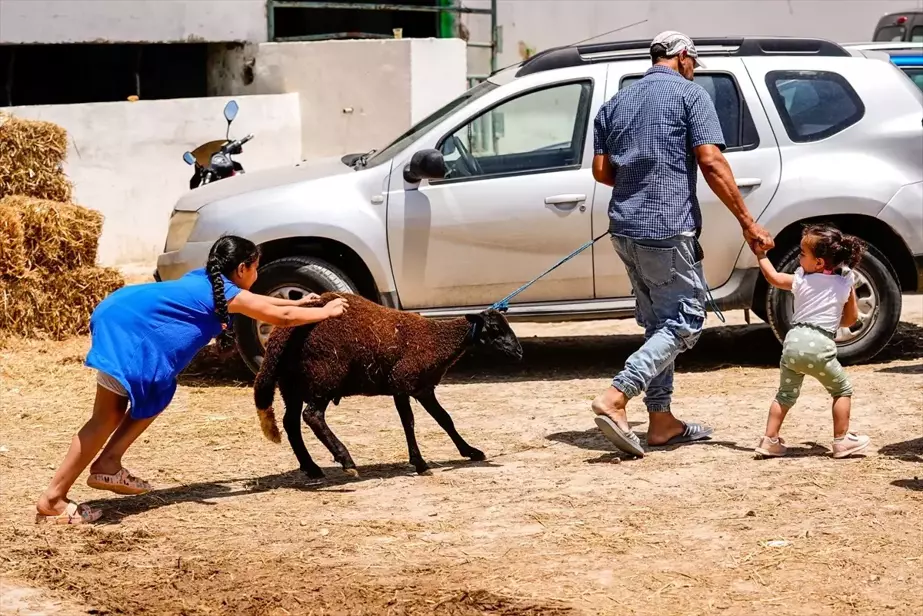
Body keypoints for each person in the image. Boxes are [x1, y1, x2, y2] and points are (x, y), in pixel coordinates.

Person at [35, 236, 349, 524]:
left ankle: (94, 473)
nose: (257, 273)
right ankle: (64, 491)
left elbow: (269, 305)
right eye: (256, 267)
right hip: (129, 330)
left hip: (120, 313)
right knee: (115, 412)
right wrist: (326, 312)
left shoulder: (207, 283)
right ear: (242, 269)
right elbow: (278, 317)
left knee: (130, 405)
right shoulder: (222, 292)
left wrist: (300, 304)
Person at [590, 31, 774, 457]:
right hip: (667, 228)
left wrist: (639, 184)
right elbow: (710, 160)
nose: (694, 69)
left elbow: (602, 171)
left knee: (659, 325)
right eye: (694, 62)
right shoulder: (690, 96)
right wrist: (748, 222)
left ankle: (662, 422)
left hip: (625, 228)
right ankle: (618, 395)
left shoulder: (615, 103)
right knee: (686, 322)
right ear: (683, 56)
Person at [754, 224, 870, 459]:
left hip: (793, 343)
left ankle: (769, 440)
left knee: (785, 395)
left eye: (802, 254)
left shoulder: (801, 280)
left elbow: (773, 277)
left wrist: (761, 255)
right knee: (841, 390)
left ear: (818, 263)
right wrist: (846, 295)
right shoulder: (844, 283)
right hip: (820, 345)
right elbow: (850, 320)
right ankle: (842, 441)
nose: (798, 258)